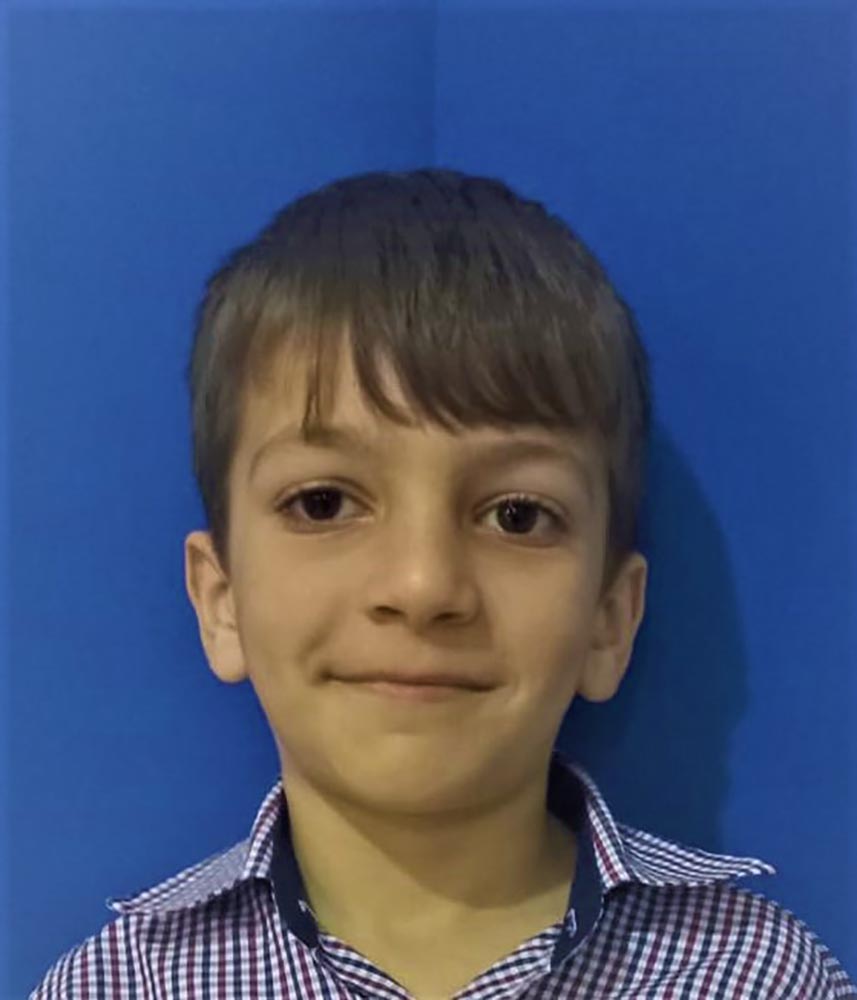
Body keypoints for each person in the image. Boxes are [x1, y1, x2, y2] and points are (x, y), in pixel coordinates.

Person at [30, 167, 856, 999]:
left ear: (610, 618)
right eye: (323, 502)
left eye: (517, 516)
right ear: (220, 601)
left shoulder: (755, 978)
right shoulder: (121, 984)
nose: (422, 585)